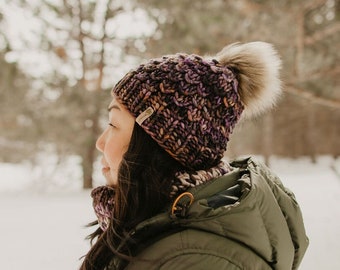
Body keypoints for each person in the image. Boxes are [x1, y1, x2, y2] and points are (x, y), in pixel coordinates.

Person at [80, 42, 309, 270]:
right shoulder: (154, 228)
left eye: (113, 124)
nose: (100, 142)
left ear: (159, 145)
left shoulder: (194, 260)